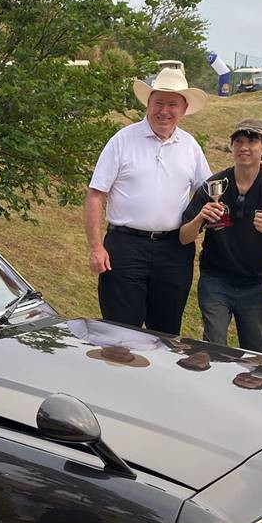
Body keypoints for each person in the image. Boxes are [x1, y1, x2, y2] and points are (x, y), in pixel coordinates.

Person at [82, 68, 211, 334]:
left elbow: (209, 191)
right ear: (148, 104)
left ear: (184, 109)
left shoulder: (190, 146)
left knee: (166, 332)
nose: (164, 111)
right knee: (120, 331)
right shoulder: (122, 140)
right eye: (158, 103)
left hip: (174, 250)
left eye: (172, 104)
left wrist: (257, 169)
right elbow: (95, 196)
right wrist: (96, 248)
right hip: (125, 247)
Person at [180, 118, 262, 352]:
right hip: (215, 281)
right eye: (238, 142)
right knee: (214, 347)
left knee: (256, 352)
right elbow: (184, 237)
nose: (244, 148)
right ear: (231, 146)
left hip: (255, 284)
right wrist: (200, 217)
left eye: (252, 142)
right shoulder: (214, 184)